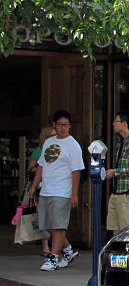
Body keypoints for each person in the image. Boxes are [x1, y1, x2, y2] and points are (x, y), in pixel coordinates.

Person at [27, 109, 84, 271]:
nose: (63, 128)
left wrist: (74, 194)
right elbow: (41, 166)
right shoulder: (49, 142)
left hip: (62, 190)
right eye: (60, 124)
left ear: (70, 126)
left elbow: (76, 171)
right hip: (46, 189)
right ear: (54, 125)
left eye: (66, 125)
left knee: (59, 225)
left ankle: (53, 257)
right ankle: (68, 251)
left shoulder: (73, 145)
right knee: (47, 224)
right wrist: (33, 187)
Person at [105, 110, 129, 234]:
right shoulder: (123, 142)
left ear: (124, 124)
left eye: (116, 121)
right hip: (118, 190)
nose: (113, 124)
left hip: (128, 190)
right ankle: (115, 251)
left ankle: (127, 252)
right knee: (114, 225)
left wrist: (115, 172)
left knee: (126, 227)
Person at [27, 126, 56, 256]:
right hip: (42, 187)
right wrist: (42, 168)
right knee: (44, 218)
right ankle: (46, 246)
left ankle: (59, 245)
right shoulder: (40, 150)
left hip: (54, 187)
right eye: (51, 136)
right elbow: (31, 169)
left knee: (54, 219)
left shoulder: (56, 149)